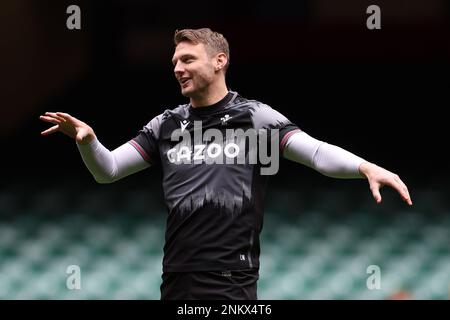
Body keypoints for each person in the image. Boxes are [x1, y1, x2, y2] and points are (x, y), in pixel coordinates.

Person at [40, 28, 412, 300]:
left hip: (231, 277)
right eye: (174, 62)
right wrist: (88, 142)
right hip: (177, 276)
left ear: (220, 61)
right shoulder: (165, 124)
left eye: (188, 59)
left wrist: (365, 166)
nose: (177, 68)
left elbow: (315, 152)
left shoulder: (255, 117)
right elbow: (108, 171)